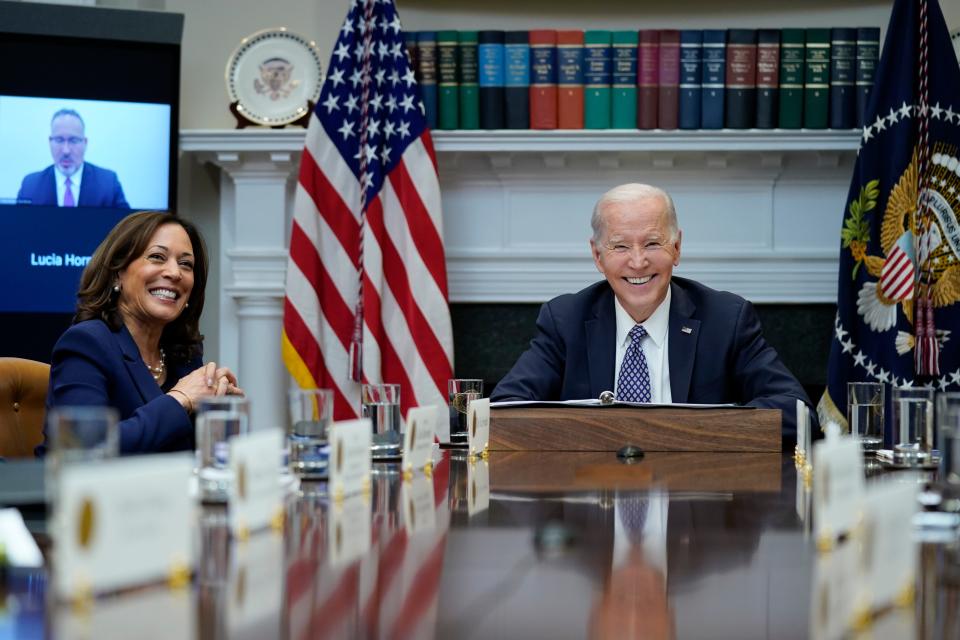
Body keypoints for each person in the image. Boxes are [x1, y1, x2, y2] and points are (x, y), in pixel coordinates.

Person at [491, 183, 812, 436]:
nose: (638, 261)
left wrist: (687, 432)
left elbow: (796, 412)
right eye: (619, 246)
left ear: (677, 247)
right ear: (597, 255)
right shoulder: (565, 320)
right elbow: (504, 410)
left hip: (699, 503)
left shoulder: (726, 319)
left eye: (653, 243)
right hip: (591, 506)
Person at [40, 211, 242, 455]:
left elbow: (192, 452)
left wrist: (217, 411)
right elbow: (85, 449)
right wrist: (180, 399)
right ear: (117, 273)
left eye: (185, 264)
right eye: (157, 257)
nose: (175, 273)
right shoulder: (86, 343)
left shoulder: (184, 354)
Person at [17, 108, 129, 209]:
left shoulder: (108, 183)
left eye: (73, 140)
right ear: (50, 142)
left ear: (85, 143)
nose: (66, 150)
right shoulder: (31, 185)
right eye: (59, 140)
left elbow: (129, 229)